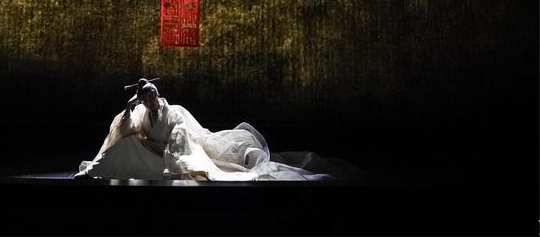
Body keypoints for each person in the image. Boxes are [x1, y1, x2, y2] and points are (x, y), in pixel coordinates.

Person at [75, 79, 361, 181]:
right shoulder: (140, 111)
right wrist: (129, 108)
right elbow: (127, 129)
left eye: (152, 96)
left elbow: (180, 139)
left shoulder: (174, 112)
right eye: (145, 99)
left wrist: (174, 164)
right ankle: (95, 170)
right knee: (126, 145)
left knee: (219, 166)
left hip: (174, 157)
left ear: (157, 95)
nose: (149, 101)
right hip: (154, 152)